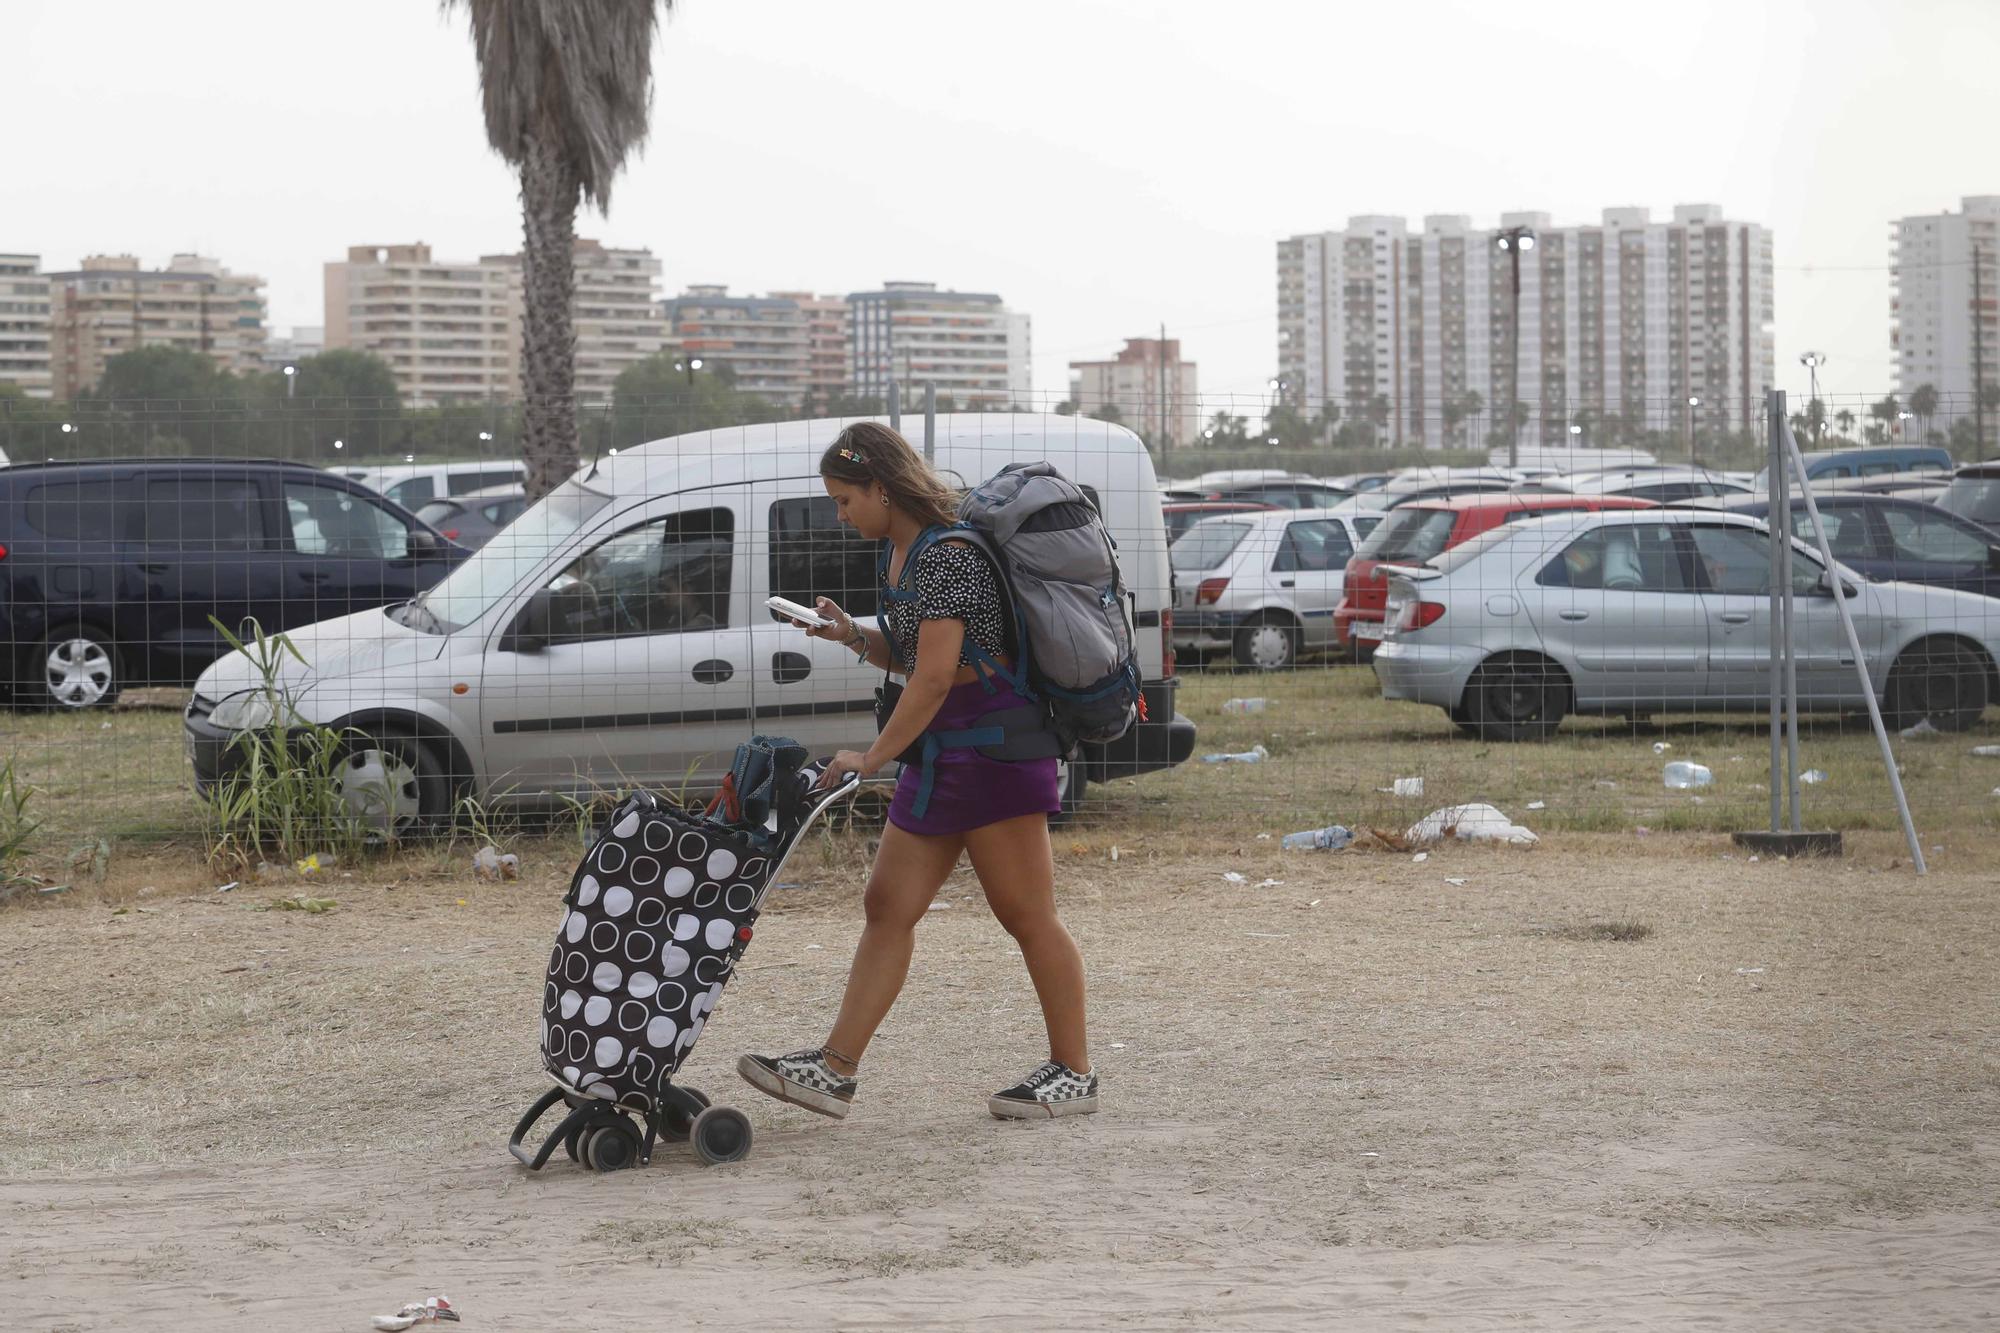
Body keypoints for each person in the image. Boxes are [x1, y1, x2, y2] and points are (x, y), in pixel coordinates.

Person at [737, 422, 1098, 1121]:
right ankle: (834, 1070)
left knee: (1027, 916)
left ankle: (1074, 1072)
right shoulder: (903, 553)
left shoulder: (947, 556)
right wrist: (850, 634)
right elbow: (911, 656)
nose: (840, 515)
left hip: (994, 753)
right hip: (946, 756)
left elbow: (934, 679)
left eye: (846, 500)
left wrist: (869, 759)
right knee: (887, 906)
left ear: (882, 487)